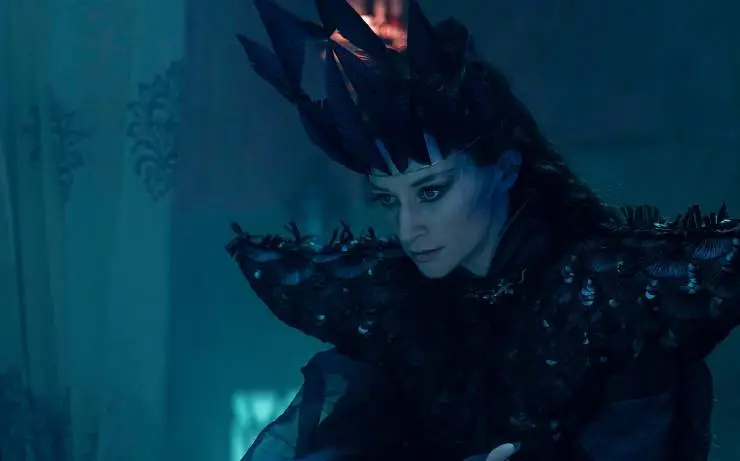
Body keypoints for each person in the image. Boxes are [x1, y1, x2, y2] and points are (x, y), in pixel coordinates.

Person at [226, 0, 738, 459]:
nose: (408, 226)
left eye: (431, 191)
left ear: (505, 168)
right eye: (388, 199)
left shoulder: (605, 298)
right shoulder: (396, 316)